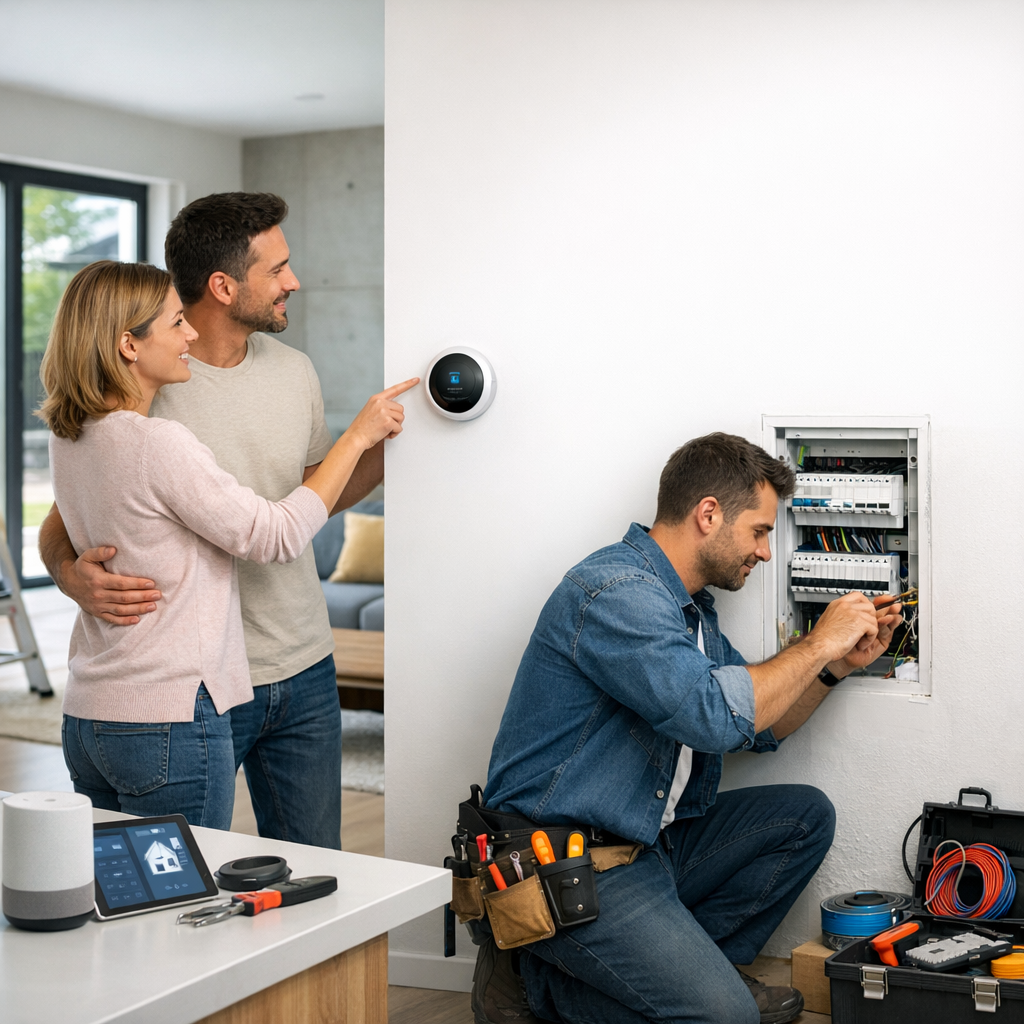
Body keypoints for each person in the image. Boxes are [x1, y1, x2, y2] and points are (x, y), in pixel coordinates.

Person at [475, 433, 903, 1024]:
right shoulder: (616, 594)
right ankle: (539, 986)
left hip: (647, 845)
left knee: (803, 818)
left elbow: (758, 724)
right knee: (727, 1019)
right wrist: (818, 639)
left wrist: (832, 668)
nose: (765, 552)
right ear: (708, 514)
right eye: (758, 531)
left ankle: (688, 972)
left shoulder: (689, 609)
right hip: (567, 866)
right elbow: (713, 715)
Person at [40, 193, 389, 848]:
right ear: (224, 285)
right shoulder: (149, 390)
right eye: (277, 268)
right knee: (186, 886)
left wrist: (390, 447)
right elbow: (70, 518)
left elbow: (316, 495)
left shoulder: (294, 372)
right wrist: (70, 575)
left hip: (303, 661)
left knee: (315, 869)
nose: (294, 281)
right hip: (197, 686)